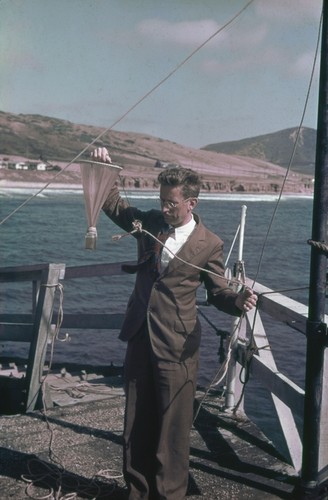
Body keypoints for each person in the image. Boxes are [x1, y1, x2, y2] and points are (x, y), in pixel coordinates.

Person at [91, 147, 257, 500]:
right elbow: (115, 205)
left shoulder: (209, 244)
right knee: (135, 421)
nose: (165, 208)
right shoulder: (149, 223)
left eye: (172, 203)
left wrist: (239, 302)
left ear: (191, 204)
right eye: (162, 200)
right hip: (139, 336)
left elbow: (218, 293)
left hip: (178, 347)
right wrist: (105, 170)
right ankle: (137, 491)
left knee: (173, 430)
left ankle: (169, 495)